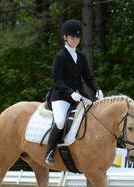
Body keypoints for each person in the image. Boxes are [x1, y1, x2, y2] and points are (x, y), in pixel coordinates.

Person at [45, 19, 104, 165]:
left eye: (77, 38)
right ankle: (50, 151)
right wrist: (70, 92)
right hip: (61, 97)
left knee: (94, 116)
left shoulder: (81, 56)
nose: (75, 40)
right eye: (72, 37)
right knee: (59, 122)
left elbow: (88, 78)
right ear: (65, 37)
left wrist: (97, 89)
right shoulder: (60, 56)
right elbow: (57, 80)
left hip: (79, 96)